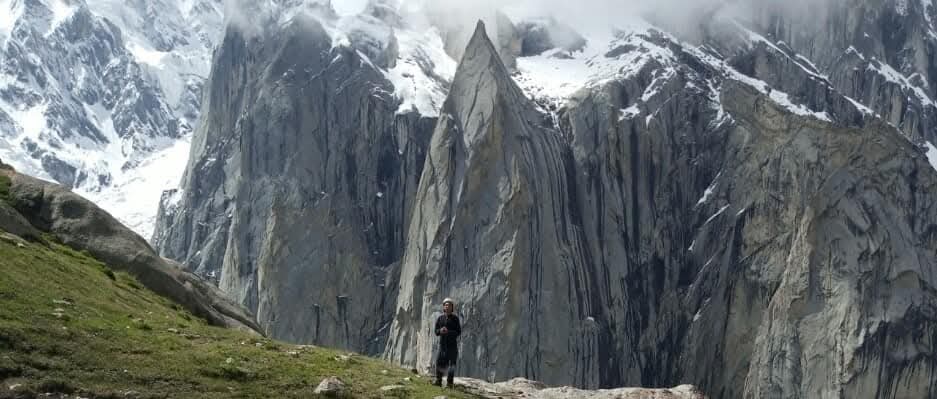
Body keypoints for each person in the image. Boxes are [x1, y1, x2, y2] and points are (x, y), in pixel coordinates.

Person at [433, 297, 461, 388]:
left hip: (452, 346)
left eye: (449, 305)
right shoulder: (440, 318)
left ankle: (449, 383)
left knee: (451, 365)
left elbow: (458, 332)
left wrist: (448, 332)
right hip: (442, 345)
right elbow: (436, 331)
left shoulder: (455, 319)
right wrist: (440, 331)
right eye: (445, 305)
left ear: (452, 307)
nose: (447, 306)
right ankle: (438, 380)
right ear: (443, 307)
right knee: (439, 363)